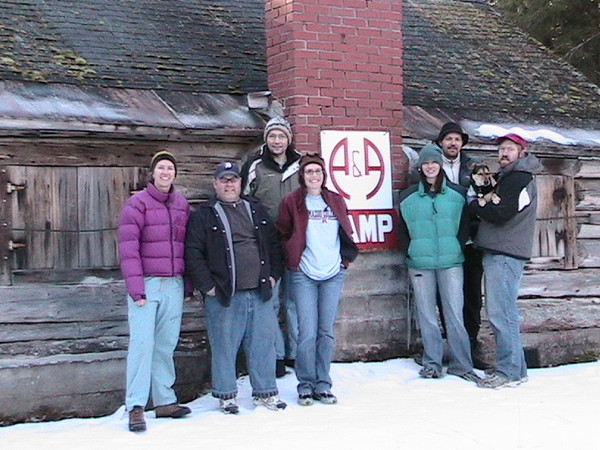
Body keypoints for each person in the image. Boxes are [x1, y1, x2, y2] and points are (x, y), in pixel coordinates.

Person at [185, 161, 287, 414]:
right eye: (224, 180)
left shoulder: (255, 209)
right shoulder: (204, 214)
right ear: (215, 184)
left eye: (233, 180)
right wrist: (207, 286)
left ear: (241, 184)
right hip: (224, 294)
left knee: (263, 344)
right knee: (224, 346)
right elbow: (193, 253)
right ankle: (226, 395)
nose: (229, 184)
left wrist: (274, 275)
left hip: (260, 290)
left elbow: (274, 244)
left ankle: (265, 393)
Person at [276, 153, 359, 406]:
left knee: (326, 332)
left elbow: (345, 230)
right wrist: (294, 258)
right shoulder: (292, 201)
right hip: (304, 274)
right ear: (303, 176)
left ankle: (323, 384)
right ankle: (305, 384)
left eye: (318, 172)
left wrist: (344, 261)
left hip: (332, 273)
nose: (314, 176)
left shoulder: (334, 200)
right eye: (309, 171)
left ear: (324, 176)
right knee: (306, 332)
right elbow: (282, 233)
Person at [118, 150, 192, 432]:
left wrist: (187, 282)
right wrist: (136, 288)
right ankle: (136, 406)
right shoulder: (137, 204)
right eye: (161, 167)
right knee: (141, 344)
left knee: (165, 344)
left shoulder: (182, 205)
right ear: (153, 173)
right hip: (147, 284)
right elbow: (128, 249)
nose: (165, 172)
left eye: (170, 168)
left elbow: (187, 245)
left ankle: (164, 400)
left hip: (173, 283)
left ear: (175, 174)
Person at [397, 144, 479, 383]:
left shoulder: (458, 194)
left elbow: (466, 225)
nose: (430, 166)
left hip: (451, 261)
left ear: (440, 164)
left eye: (434, 162)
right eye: (426, 163)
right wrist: (410, 250)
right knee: (426, 314)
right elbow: (401, 230)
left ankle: (461, 364)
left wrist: (458, 244)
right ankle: (432, 362)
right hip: (420, 263)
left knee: (454, 313)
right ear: (421, 167)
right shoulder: (407, 197)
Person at [469, 133, 541, 389]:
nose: (504, 153)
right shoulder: (508, 178)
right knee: (504, 311)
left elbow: (500, 213)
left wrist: (473, 204)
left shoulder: (519, 179)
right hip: (502, 252)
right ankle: (517, 369)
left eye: (510, 149)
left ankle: (508, 372)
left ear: (522, 152)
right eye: (501, 149)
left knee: (501, 313)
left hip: (505, 254)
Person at [241, 117, 302, 377]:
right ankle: (275, 354)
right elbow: (242, 201)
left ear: (289, 139)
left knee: (296, 301)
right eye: (272, 136)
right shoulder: (254, 166)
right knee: (270, 301)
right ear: (266, 139)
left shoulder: (302, 165)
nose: (277, 141)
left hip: (297, 242)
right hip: (266, 244)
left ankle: (297, 353)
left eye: (281, 136)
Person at [435, 122, 487, 368]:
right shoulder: (431, 167)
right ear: (440, 143)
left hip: (471, 240)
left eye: (457, 139)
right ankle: (454, 345)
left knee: (472, 295)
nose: (453, 143)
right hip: (444, 240)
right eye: (448, 139)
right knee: (446, 295)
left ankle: (472, 344)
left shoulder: (474, 167)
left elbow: (484, 196)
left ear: (462, 143)